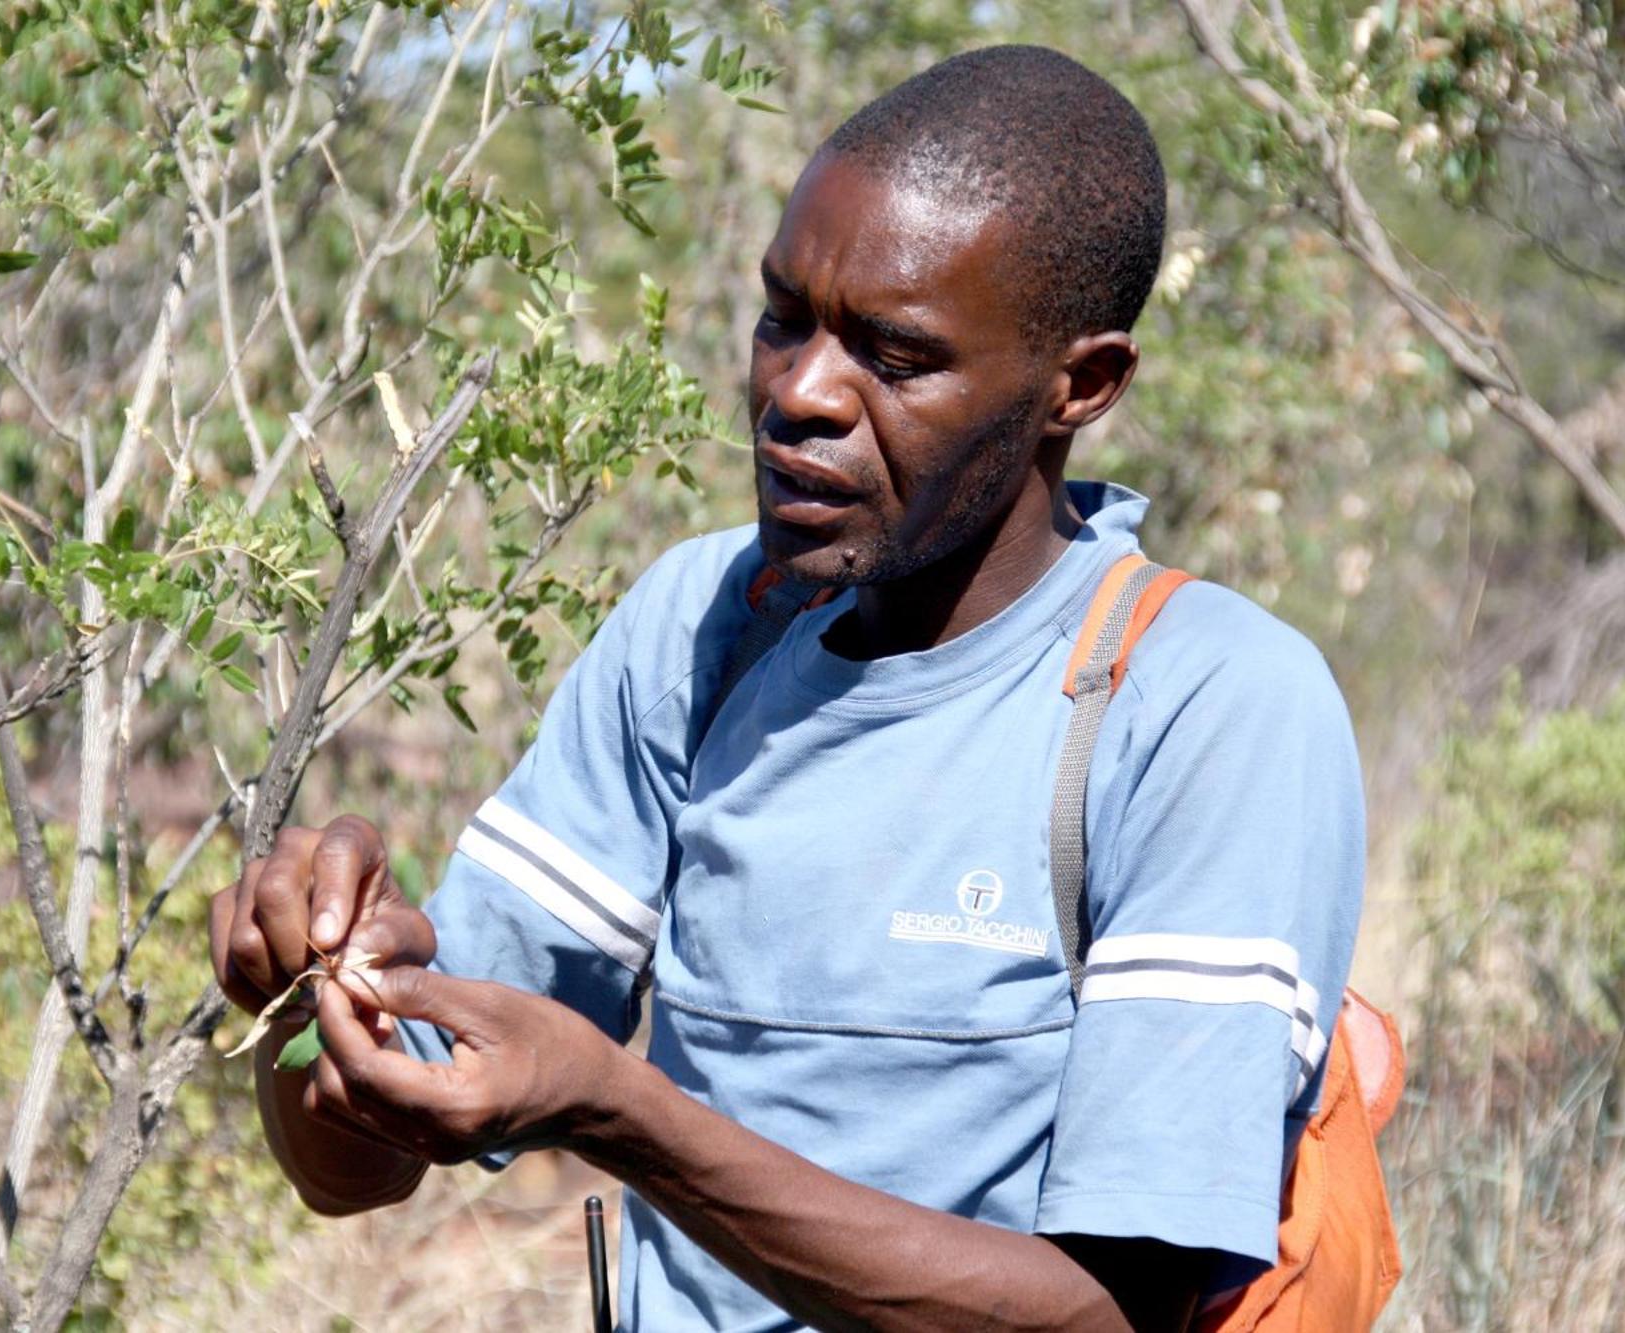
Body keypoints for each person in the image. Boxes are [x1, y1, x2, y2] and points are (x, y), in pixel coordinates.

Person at [210, 45, 1364, 1333]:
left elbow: (1109, 1315)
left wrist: (620, 1111)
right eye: (783, 317)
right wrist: (312, 994)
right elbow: (355, 1169)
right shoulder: (706, 632)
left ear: (1079, 386)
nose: (798, 394)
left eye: (898, 355)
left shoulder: (1202, 705)